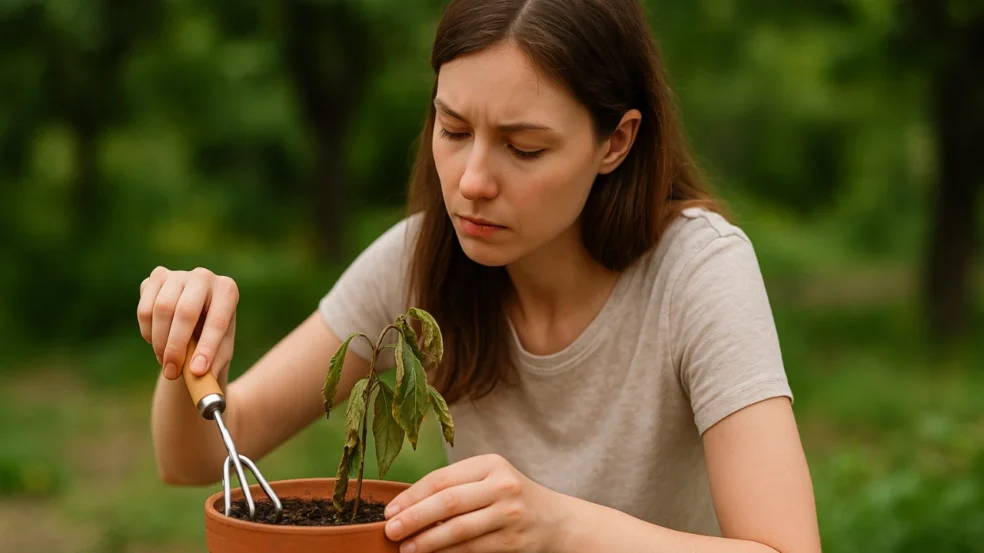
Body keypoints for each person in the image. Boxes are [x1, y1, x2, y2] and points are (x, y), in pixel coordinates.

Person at [139, 0, 822, 551]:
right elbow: (196, 458)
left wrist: (560, 527)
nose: (470, 182)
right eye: (454, 129)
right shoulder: (419, 262)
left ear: (616, 141)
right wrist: (185, 344)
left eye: (523, 147)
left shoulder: (696, 273)